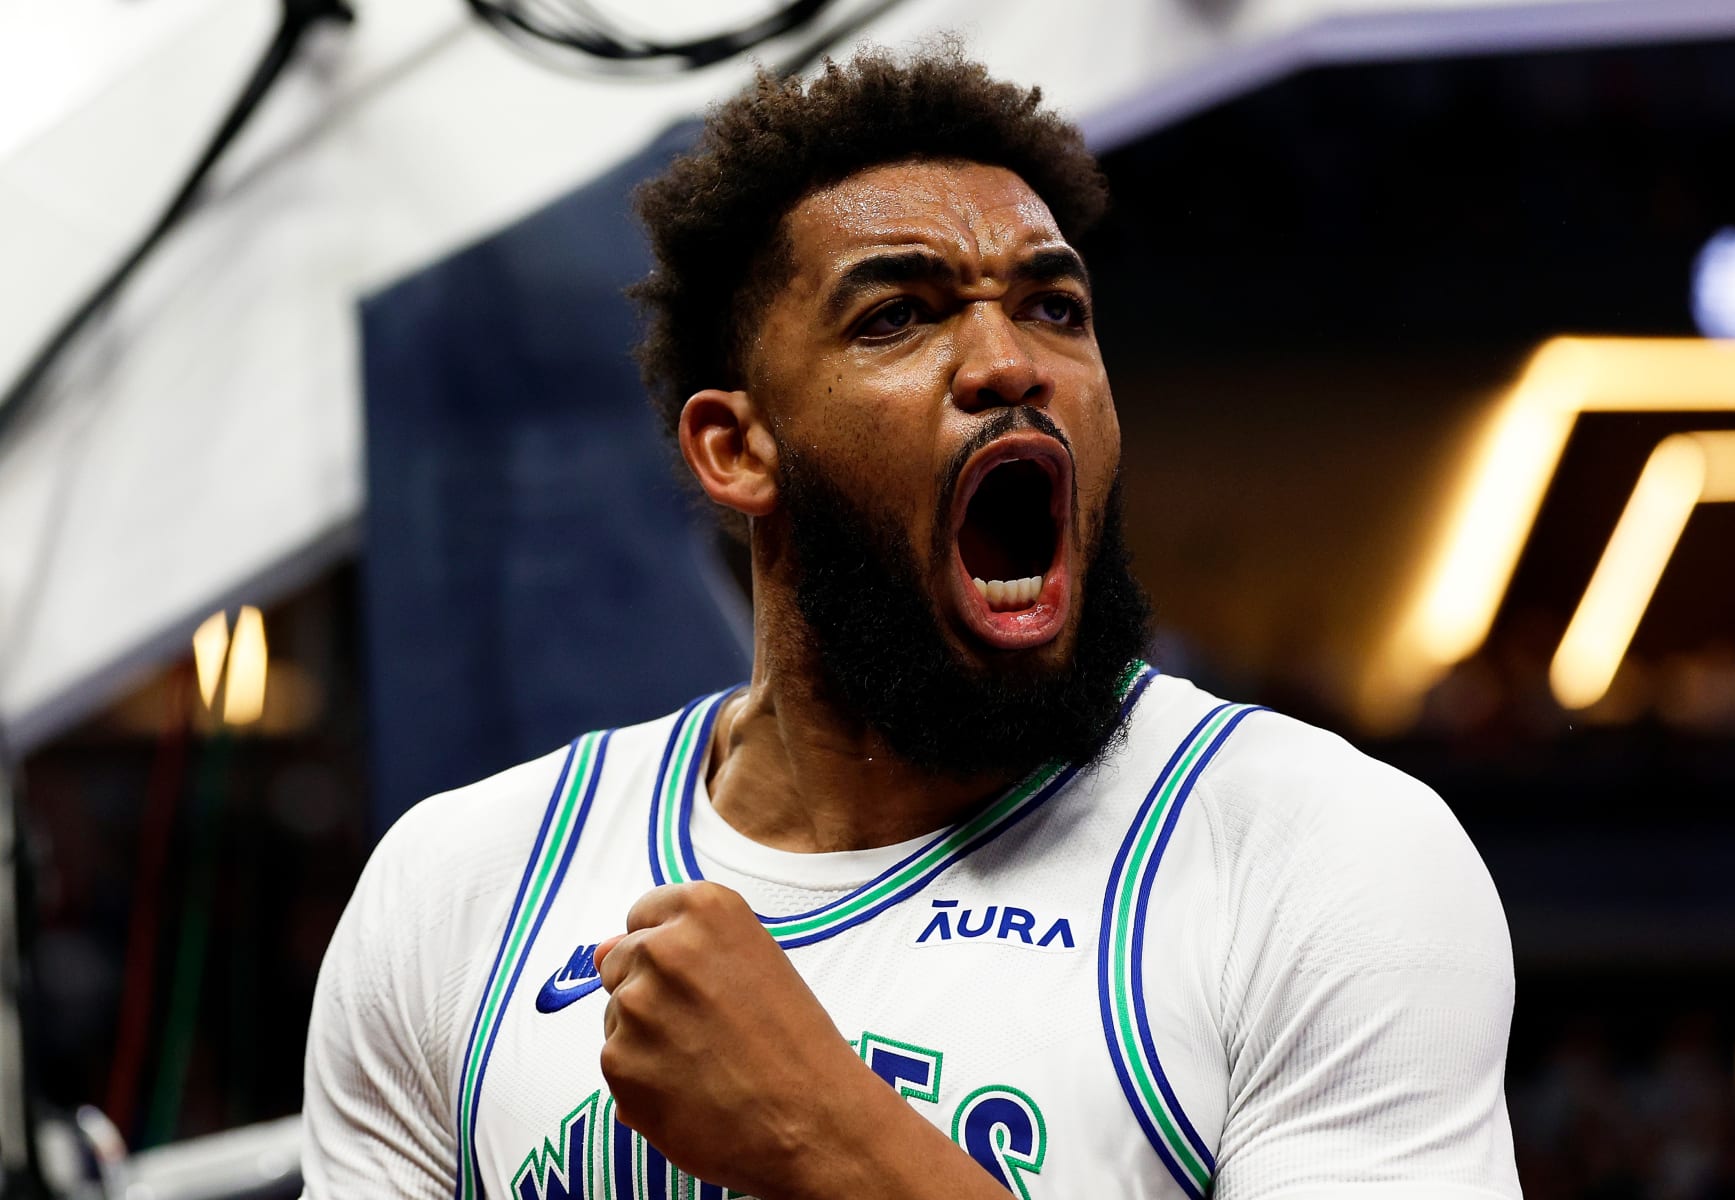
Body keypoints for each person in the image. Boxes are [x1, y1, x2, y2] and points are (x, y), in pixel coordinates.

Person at [301, 47, 1520, 1200]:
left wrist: (824, 1138)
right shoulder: (458, 889)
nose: (1006, 362)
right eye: (897, 316)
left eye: (1054, 309)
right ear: (735, 448)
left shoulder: (1320, 858)